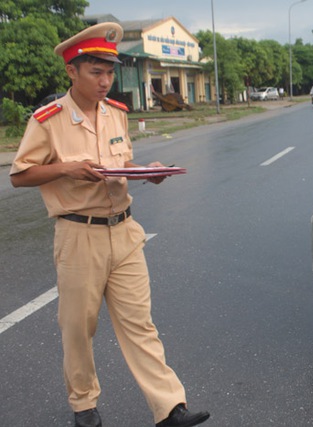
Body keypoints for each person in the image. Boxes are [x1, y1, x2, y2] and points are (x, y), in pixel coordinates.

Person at [9, 23, 210, 427]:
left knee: (140, 323)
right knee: (79, 327)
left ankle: (169, 407)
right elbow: (19, 174)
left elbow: (120, 167)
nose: (105, 81)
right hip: (79, 235)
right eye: (95, 72)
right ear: (72, 72)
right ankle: (84, 403)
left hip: (125, 231)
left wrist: (147, 171)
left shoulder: (116, 114)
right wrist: (67, 168)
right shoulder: (49, 119)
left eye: (110, 72)